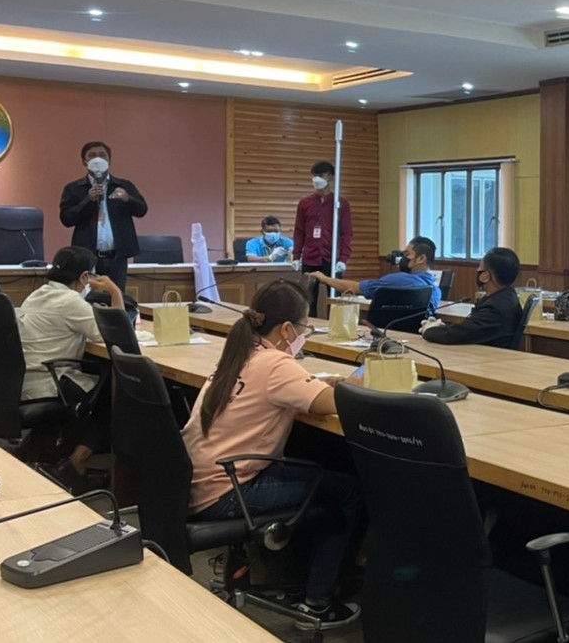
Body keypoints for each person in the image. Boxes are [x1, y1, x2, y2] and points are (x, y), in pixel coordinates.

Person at [182, 281, 363, 631]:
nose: (304, 336)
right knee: (351, 492)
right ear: (286, 329)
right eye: (304, 328)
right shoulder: (276, 364)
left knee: (320, 473)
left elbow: (285, 388)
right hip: (229, 491)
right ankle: (318, 604)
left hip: (199, 482)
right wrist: (354, 386)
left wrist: (319, 382)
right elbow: (332, 403)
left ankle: (297, 577)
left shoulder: (239, 355)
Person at [19, 246, 122, 486]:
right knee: (119, 389)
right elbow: (115, 332)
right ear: (85, 277)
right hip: (51, 382)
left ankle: (74, 458)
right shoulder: (70, 301)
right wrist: (114, 291)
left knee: (105, 380)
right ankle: (78, 459)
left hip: (26, 380)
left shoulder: (36, 295)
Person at [59, 141, 148, 291]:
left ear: (109, 160)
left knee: (116, 295)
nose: (98, 159)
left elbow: (142, 210)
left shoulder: (123, 185)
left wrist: (128, 198)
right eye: (92, 156)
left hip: (117, 256)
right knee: (87, 297)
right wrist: (87, 200)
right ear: (84, 161)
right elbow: (66, 219)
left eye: (102, 155)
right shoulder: (73, 189)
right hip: (87, 256)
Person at [421, 247, 522, 347]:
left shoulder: (495, 308)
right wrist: (440, 328)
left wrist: (429, 330)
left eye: (480, 267)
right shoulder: (507, 296)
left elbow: (458, 335)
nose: (477, 270)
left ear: (485, 276)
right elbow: (469, 329)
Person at [311, 236, 440, 309]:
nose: (403, 258)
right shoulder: (436, 291)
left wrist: (324, 278)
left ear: (421, 259)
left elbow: (354, 288)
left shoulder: (398, 280)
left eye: (407, 254)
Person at [294, 161, 353, 317]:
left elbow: (346, 233)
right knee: (307, 299)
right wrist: (296, 256)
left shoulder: (340, 204)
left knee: (335, 300)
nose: (317, 179)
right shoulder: (304, 203)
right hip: (310, 258)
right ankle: (308, 325)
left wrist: (343, 258)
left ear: (330, 177)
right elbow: (299, 231)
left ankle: (333, 326)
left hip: (331, 258)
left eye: (321, 175)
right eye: (314, 175)